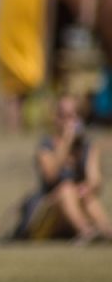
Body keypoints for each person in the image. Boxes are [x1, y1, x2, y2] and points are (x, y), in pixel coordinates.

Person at [24, 94, 112, 244]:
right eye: (63, 116)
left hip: (77, 206)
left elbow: (96, 180)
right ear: (55, 118)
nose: (69, 122)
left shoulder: (87, 147)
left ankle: (107, 231)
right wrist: (66, 141)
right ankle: (86, 231)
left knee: (88, 198)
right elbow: (50, 175)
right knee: (66, 189)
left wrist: (88, 188)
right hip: (48, 214)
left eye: (73, 116)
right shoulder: (46, 147)